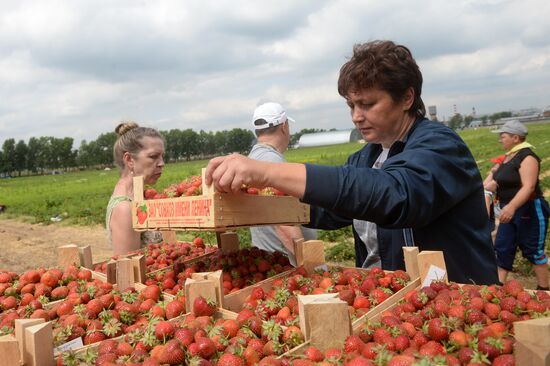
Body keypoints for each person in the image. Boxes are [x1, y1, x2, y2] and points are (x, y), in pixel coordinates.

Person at [205, 40, 499, 285]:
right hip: (393, 300)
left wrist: (270, 172)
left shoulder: (441, 145)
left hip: (458, 297)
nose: (356, 116)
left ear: (407, 97)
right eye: (351, 105)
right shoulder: (367, 157)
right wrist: (249, 206)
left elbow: (396, 195)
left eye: (368, 104)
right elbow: (330, 209)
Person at [248, 102, 317, 265]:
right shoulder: (272, 164)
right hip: (286, 263)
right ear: (284, 126)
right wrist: (308, 266)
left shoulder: (253, 159)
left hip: (268, 258)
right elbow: (285, 225)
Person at [484, 120, 549, 290]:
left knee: (533, 250)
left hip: (529, 210)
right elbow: (496, 181)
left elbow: (529, 186)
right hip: (507, 210)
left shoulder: (527, 157)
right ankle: (497, 289)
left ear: (515, 138)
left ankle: (544, 290)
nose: (500, 139)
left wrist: (512, 207)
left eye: (503, 136)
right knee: (503, 248)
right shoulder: (508, 157)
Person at [106, 122, 165, 255]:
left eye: (162, 156)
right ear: (129, 160)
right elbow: (128, 269)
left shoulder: (139, 196)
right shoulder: (125, 208)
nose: (162, 163)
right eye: (153, 156)